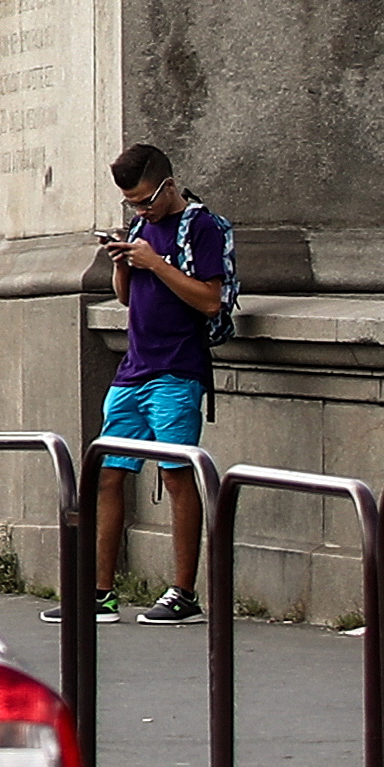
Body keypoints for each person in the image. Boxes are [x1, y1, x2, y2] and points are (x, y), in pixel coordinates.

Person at [88, 144, 232, 625]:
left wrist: (156, 262)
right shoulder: (140, 229)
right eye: (132, 204)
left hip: (178, 368)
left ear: (169, 185)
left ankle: (184, 591)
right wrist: (122, 263)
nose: (142, 210)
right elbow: (128, 298)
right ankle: (100, 591)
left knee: (175, 475)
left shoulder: (202, 227)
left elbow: (211, 301)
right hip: (133, 368)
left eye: (147, 201)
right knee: (108, 474)